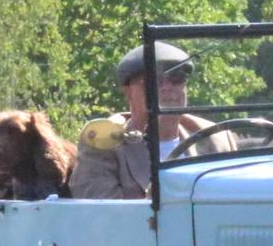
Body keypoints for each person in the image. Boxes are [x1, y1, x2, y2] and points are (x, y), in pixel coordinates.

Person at [69, 41, 235, 199]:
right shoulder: (104, 144)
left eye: (177, 79)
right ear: (128, 92)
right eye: (154, 81)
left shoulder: (214, 138)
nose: (167, 88)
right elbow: (101, 215)